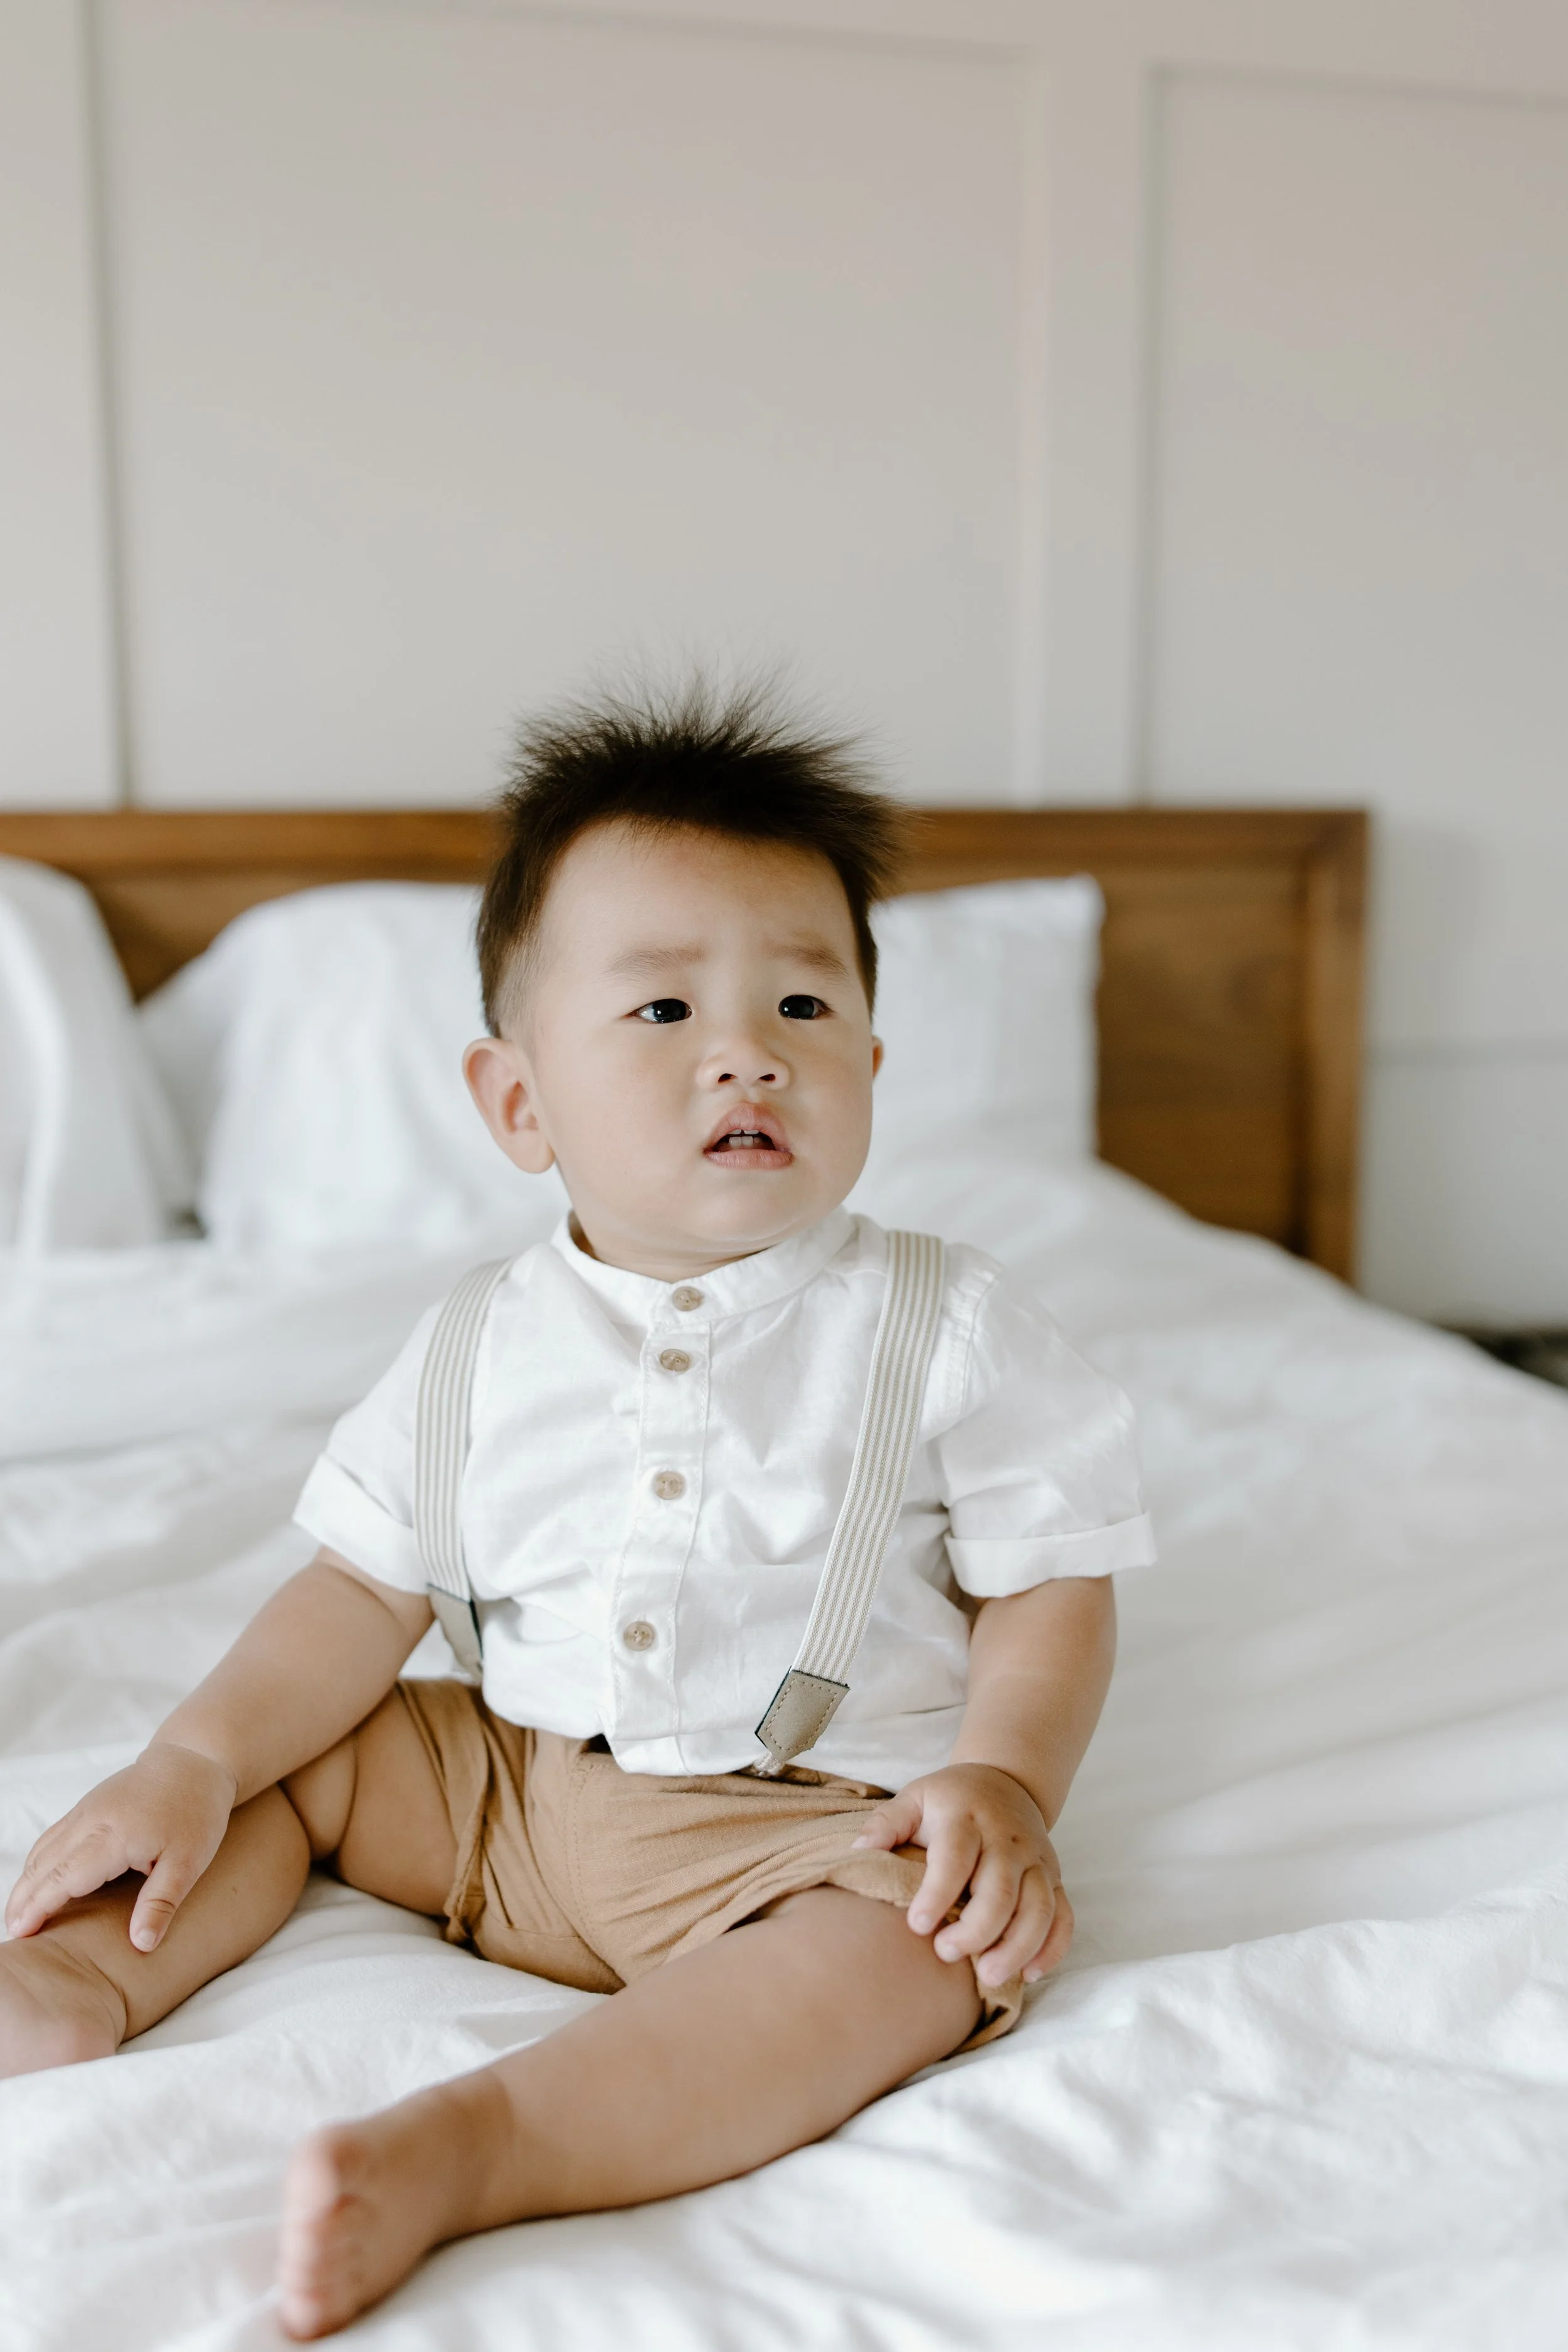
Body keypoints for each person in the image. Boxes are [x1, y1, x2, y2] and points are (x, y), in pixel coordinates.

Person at [0, 684, 1155, 2339]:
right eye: (666, 1006)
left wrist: (1003, 1776)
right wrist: (192, 1755)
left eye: (805, 1003)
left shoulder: (945, 1320)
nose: (747, 1048)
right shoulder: (471, 1336)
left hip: (803, 1829)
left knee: (921, 1950)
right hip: (509, 1790)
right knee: (299, 1748)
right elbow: (352, 1592)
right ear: (518, 1101)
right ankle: (83, 1978)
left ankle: (492, 2139)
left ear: (873, 1066)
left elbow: (1053, 1585)